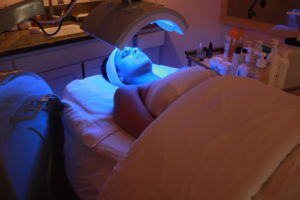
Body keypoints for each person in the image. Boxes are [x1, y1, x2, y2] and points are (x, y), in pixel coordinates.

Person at [102, 47, 217, 138]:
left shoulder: (180, 72)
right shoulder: (126, 92)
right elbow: (154, 135)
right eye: (125, 54)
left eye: (135, 49)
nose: (136, 49)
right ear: (119, 75)